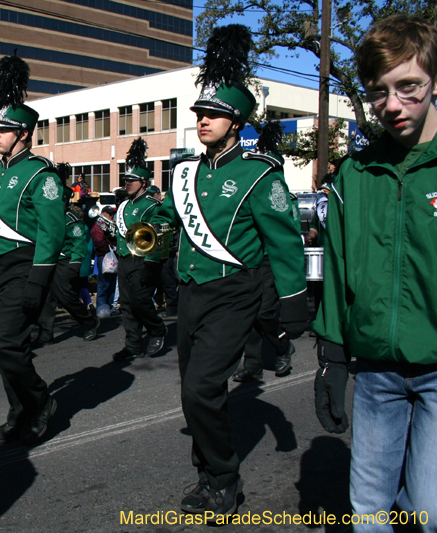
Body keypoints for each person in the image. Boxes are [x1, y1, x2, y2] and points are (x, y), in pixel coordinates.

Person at [151, 25, 307, 519]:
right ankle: (208, 476)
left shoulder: (259, 173)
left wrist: (293, 300)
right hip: (192, 292)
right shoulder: (186, 172)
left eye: (213, 114)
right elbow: (174, 220)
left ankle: (225, 479)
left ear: (235, 121)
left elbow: (284, 241)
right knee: (193, 392)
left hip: (234, 290)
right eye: (200, 112)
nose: (202, 120)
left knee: (201, 388)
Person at [313, 15, 437, 528]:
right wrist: (332, 359)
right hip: (375, 373)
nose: (392, 106)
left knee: (427, 515)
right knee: (367, 516)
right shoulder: (354, 176)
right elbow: (337, 268)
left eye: (408, 87)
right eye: (378, 92)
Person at [0, 54, 65, 446]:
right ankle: (19, 415)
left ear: (24, 134)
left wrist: (38, 282)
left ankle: (41, 402)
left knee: (6, 344)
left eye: (5, 129)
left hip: (26, 266)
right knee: (4, 351)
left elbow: (51, 232)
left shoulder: (40, 174)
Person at [111, 138, 167, 362]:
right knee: (126, 304)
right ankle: (132, 344)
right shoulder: (124, 204)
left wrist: (152, 264)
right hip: (124, 259)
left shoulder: (152, 206)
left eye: (132, 180)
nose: (128, 183)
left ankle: (157, 329)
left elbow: (159, 237)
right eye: (126, 180)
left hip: (144, 260)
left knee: (140, 301)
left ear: (144, 182)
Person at [35, 174, 99, 346]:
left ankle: (90, 322)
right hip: (48, 260)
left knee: (65, 296)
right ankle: (45, 333)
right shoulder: (47, 217)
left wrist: (75, 264)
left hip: (65, 261)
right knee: (45, 296)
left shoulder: (71, 219)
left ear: (64, 200)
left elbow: (79, 244)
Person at [91, 206, 118, 315]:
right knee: (103, 284)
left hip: (111, 256)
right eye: (109, 213)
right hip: (104, 257)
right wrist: (110, 247)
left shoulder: (111, 225)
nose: (111, 216)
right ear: (103, 213)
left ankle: (109, 305)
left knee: (112, 283)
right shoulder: (98, 225)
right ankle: (101, 307)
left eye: (112, 214)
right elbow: (98, 242)